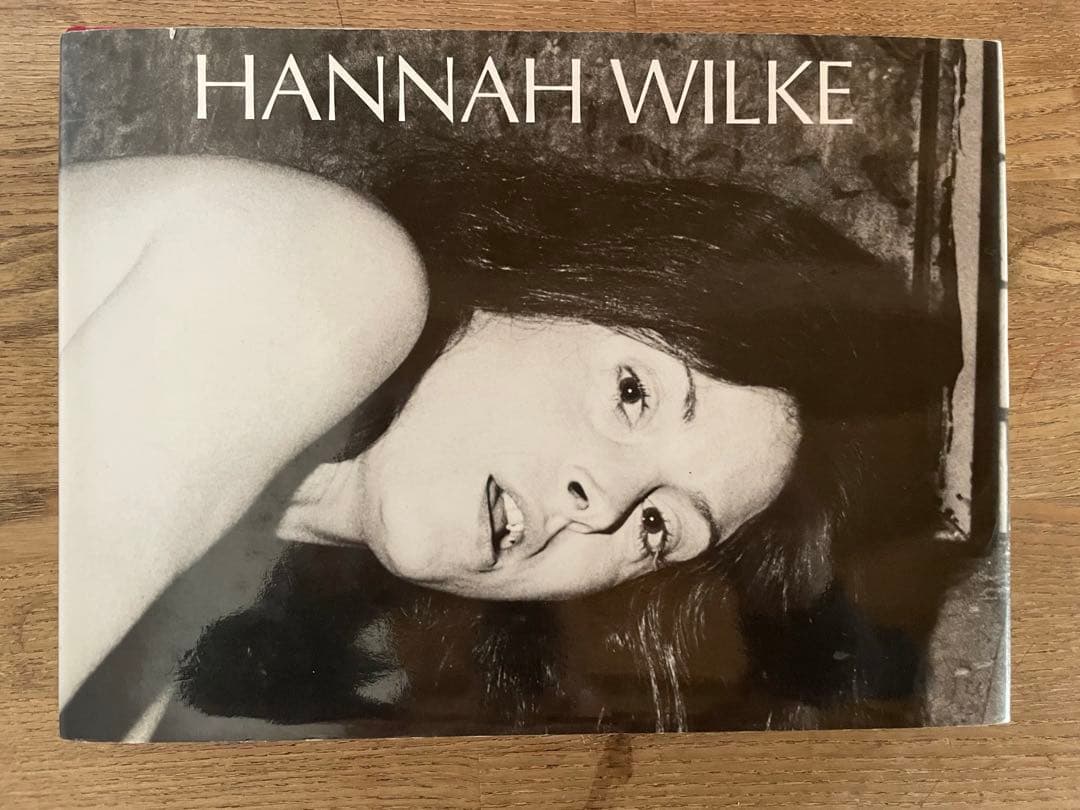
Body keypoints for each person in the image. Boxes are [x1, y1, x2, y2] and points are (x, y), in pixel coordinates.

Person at [59, 147, 959, 739]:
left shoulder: (214, 618)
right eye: (635, 392)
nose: (604, 504)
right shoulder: (336, 274)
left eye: (660, 528)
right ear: (537, 278)